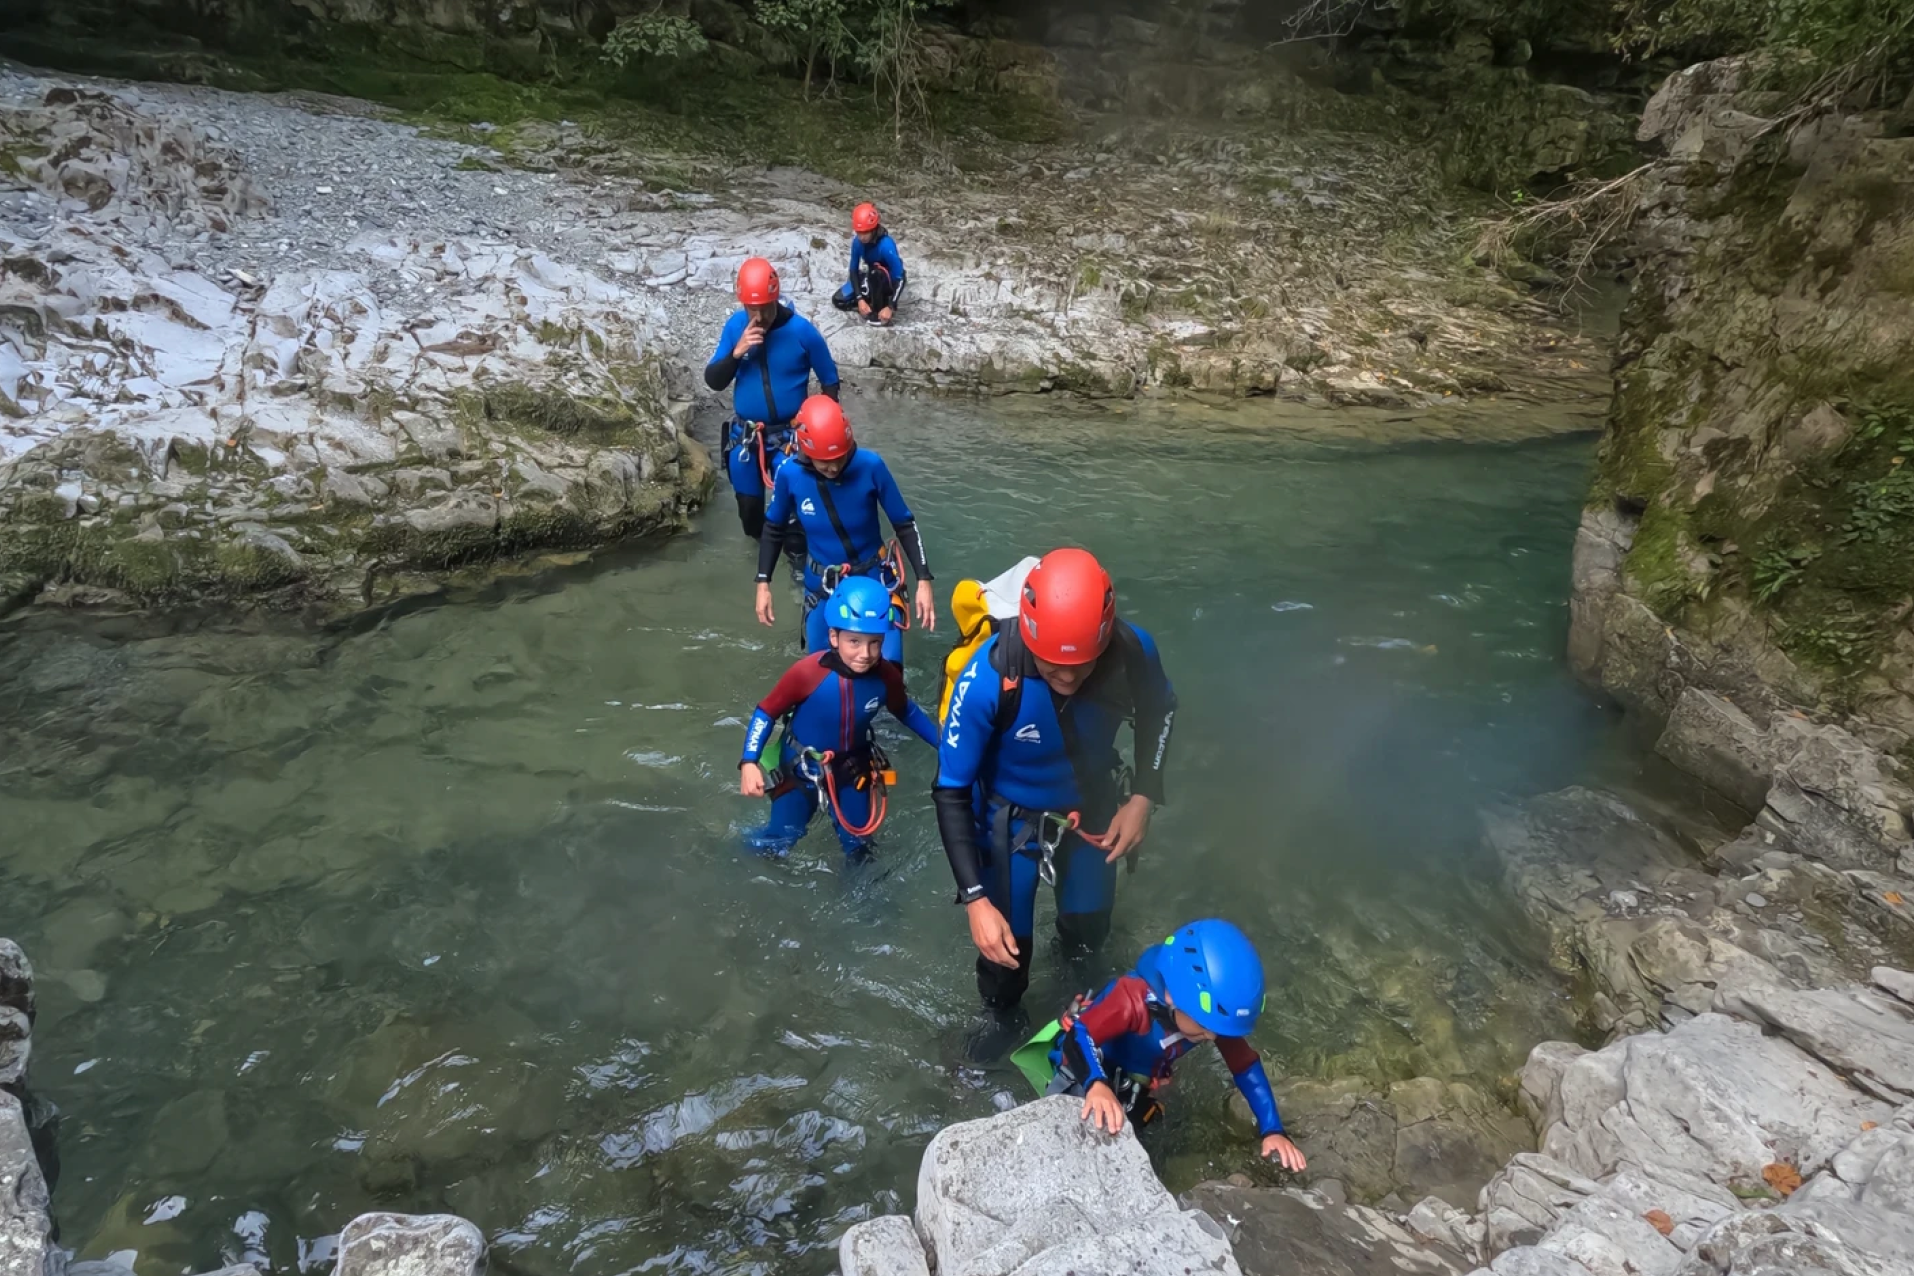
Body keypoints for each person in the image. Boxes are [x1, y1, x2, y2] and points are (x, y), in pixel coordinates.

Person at [933, 547, 1176, 1016]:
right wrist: (975, 900)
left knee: (1087, 937)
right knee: (1006, 962)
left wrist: (1144, 797)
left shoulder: (1131, 652)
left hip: (1093, 811)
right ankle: (1001, 1035)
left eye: (1081, 663)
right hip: (1010, 825)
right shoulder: (988, 676)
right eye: (1051, 664)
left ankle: (1084, 1021)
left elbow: (1159, 711)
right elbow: (951, 790)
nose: (1066, 675)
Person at [1013, 920, 1308, 1172]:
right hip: (1085, 1066)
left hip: (1135, 1075)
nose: (1214, 1038)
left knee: (1148, 1130)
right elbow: (1079, 1036)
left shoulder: (1208, 1017)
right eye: (1206, 1028)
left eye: (1217, 1031)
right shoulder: (1131, 999)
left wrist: (1273, 1130)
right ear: (1171, 997)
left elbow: (1245, 1066)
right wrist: (1096, 1084)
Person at [740, 576, 939, 858]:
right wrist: (749, 761)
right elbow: (766, 711)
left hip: (852, 769)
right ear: (834, 637)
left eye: (875, 643)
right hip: (800, 769)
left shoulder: (886, 676)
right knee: (780, 841)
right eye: (854, 641)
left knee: (860, 850)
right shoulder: (808, 673)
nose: (865, 653)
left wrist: (945, 746)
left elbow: (906, 710)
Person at [755, 395, 936, 665]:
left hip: (874, 577)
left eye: (839, 458)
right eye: (824, 461)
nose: (834, 467)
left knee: (889, 669)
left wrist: (923, 580)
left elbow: (904, 523)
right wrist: (763, 583)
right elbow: (773, 527)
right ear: (806, 452)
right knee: (820, 671)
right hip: (822, 586)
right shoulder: (789, 475)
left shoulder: (870, 466)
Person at [706, 257, 841, 549]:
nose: (757, 316)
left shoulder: (802, 331)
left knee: (794, 516)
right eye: (750, 308)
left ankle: (797, 566)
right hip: (747, 437)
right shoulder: (735, 328)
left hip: (789, 437)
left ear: (775, 299)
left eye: (763, 308)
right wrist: (737, 351)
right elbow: (714, 380)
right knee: (750, 516)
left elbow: (829, 380)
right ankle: (761, 568)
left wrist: (822, 431)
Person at [831, 202, 906, 326]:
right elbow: (853, 270)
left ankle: (879, 310)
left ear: (873, 229)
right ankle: (867, 302)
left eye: (865, 232)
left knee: (875, 274)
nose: (862, 237)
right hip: (870, 277)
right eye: (859, 232)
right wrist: (860, 299)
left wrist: (890, 306)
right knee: (839, 300)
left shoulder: (886, 245)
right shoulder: (857, 242)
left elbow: (901, 277)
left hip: (885, 281)